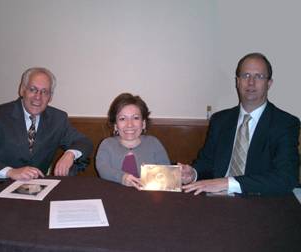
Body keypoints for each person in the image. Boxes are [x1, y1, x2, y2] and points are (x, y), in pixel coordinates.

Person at [182, 53, 300, 195]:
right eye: (246, 76)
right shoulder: (220, 120)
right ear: (237, 82)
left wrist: (228, 183)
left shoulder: (285, 124)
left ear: (269, 84)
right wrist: (193, 174)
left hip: (259, 202)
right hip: (215, 200)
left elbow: (286, 179)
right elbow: (207, 162)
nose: (251, 82)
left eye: (259, 76)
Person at [0, 67, 93, 180]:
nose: (38, 97)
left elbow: (84, 142)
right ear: (22, 90)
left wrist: (70, 154)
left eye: (44, 92)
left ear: (51, 97)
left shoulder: (58, 119)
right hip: (0, 185)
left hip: (38, 189)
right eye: (33, 89)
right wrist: (10, 172)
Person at [96, 93, 170, 190]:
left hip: (150, 198)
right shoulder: (107, 144)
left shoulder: (154, 143)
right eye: (122, 119)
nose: (129, 124)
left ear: (143, 123)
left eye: (135, 118)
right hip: (114, 196)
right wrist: (122, 178)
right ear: (115, 125)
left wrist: (181, 175)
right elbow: (103, 169)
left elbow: (166, 173)